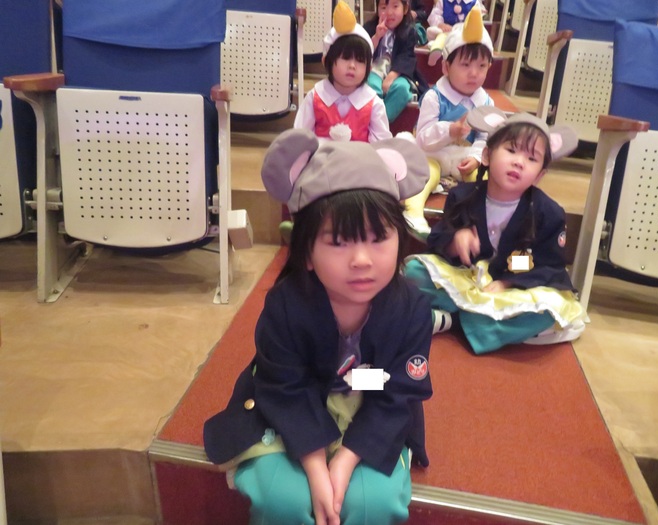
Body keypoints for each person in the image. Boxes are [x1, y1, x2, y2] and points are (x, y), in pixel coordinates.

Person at [204, 128, 433, 525]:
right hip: (294, 398)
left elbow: (397, 389)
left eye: (379, 238)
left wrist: (344, 462)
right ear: (306, 253)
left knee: (372, 503)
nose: (362, 260)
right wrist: (315, 466)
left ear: (401, 239)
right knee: (282, 499)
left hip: (371, 397)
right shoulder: (286, 305)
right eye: (339, 242)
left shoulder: (412, 309)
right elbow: (285, 385)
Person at [404, 106, 586, 354]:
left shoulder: (549, 213)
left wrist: (508, 281)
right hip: (467, 277)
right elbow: (438, 238)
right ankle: (484, 324)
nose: (519, 162)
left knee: (548, 310)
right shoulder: (462, 196)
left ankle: (454, 320)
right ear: (487, 155)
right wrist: (455, 241)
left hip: (511, 288)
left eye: (531, 159)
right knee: (414, 272)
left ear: (539, 175)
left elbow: (547, 264)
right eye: (511, 150)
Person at [403, 6, 494, 237]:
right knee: (426, 173)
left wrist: (476, 157)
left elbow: (485, 137)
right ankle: (413, 212)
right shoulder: (435, 97)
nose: (474, 73)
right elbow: (423, 138)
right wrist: (450, 130)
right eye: (465, 65)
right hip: (435, 154)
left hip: (465, 157)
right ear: (446, 66)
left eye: (481, 66)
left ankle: (484, 225)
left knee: (484, 180)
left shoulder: (485, 101)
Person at [294, 2, 392, 143]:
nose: (352, 66)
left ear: (369, 69)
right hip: (321, 157)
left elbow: (382, 146)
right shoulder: (315, 98)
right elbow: (299, 139)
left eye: (360, 61)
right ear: (326, 60)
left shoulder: (373, 103)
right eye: (345, 58)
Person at [364, 0, 428, 123]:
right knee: (371, 85)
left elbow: (407, 57)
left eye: (395, 6)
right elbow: (363, 52)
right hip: (375, 69)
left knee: (402, 89)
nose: (389, 12)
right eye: (384, 7)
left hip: (399, 72)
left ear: (405, 9)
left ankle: (380, 123)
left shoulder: (410, 31)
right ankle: (371, 122)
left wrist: (391, 77)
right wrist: (377, 36)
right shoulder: (370, 27)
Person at [426, 0, 487, 64]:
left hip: (464, 33)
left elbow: (477, 21)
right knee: (439, 34)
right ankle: (436, 49)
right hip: (446, 31)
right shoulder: (443, 1)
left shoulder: (474, 3)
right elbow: (435, 15)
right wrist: (441, 24)